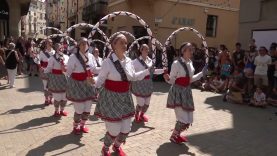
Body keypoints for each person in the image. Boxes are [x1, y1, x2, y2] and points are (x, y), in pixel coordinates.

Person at [94, 34, 154, 156]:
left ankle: (117, 146)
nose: (124, 45)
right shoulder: (108, 62)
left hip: (125, 97)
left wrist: (147, 71)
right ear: (113, 45)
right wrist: (92, 82)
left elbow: (133, 77)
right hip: (111, 98)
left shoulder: (129, 61)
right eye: (121, 42)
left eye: (126, 43)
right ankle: (105, 148)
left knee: (126, 129)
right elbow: (100, 80)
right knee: (114, 130)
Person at [163, 42, 207, 144]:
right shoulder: (176, 63)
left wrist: (201, 73)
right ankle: (174, 136)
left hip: (187, 92)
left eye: (192, 49)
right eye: (189, 49)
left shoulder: (190, 63)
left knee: (188, 117)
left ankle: (176, 135)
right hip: (178, 92)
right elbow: (172, 80)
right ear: (183, 51)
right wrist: (167, 78)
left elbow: (190, 79)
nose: (192, 51)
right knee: (182, 117)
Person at [66, 37, 97, 135]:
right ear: (78, 46)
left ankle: (82, 125)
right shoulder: (73, 57)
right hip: (77, 85)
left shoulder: (91, 56)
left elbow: (95, 69)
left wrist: (105, 68)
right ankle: (76, 127)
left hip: (88, 84)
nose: (84, 45)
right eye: (82, 44)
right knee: (79, 109)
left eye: (86, 43)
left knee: (87, 109)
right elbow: (68, 72)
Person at [131, 44, 164, 123]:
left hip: (148, 84)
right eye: (145, 49)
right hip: (139, 84)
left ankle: (141, 115)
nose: (147, 51)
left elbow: (153, 71)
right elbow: (133, 74)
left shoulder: (150, 61)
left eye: (148, 49)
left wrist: (163, 70)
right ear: (141, 50)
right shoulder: (135, 62)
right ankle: (136, 115)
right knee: (141, 103)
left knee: (147, 104)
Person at [44, 43, 69, 117]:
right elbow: (49, 68)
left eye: (61, 47)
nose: (61, 49)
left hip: (65, 78)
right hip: (56, 78)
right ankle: (56, 111)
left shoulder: (66, 57)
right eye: (59, 48)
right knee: (57, 97)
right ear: (56, 49)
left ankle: (62, 110)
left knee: (65, 96)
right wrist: (44, 71)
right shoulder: (52, 58)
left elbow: (69, 67)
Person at [38, 39, 55, 105]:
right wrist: (40, 67)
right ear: (46, 44)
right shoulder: (42, 52)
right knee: (45, 86)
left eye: (51, 42)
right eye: (48, 43)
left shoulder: (54, 52)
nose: (49, 44)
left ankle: (51, 99)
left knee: (52, 86)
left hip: (53, 71)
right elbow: (39, 60)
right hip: (45, 70)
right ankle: (46, 99)